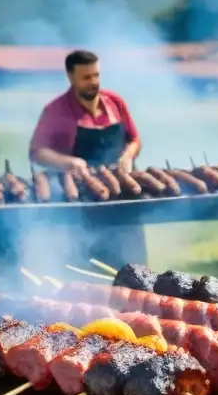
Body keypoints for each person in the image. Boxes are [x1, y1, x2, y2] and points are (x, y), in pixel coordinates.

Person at [28, 50, 147, 266]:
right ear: (70, 77)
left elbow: (135, 140)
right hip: (81, 202)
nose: (93, 82)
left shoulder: (115, 103)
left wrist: (128, 156)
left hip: (123, 198)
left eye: (96, 75)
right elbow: (36, 152)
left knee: (133, 269)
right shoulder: (55, 110)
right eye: (86, 77)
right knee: (87, 270)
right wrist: (67, 162)